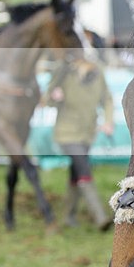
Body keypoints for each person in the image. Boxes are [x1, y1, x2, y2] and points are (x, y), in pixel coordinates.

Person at [44, 51, 114, 230]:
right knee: (83, 169)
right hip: (67, 133)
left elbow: (106, 98)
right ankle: (100, 218)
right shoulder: (63, 72)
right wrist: (54, 96)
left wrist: (108, 121)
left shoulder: (98, 72)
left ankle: (69, 217)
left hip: (87, 133)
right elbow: (47, 100)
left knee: (75, 173)